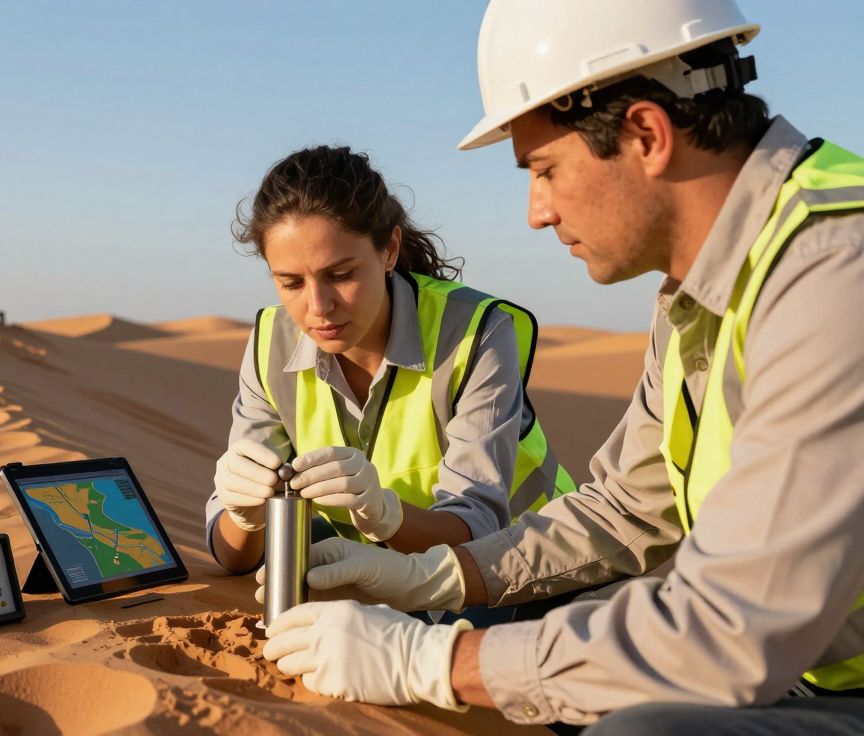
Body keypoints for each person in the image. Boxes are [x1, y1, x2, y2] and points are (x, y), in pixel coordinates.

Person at [259, 1, 864, 732]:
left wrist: (434, 663)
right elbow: (625, 508)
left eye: (544, 169)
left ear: (646, 134)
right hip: (797, 675)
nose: (536, 212)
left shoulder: (835, 271)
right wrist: (435, 578)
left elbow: (735, 628)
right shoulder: (706, 283)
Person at [205, 145, 576, 603]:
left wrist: (384, 513)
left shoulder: (476, 331)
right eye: (291, 283)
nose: (317, 308)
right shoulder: (269, 341)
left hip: (531, 573)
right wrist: (244, 516)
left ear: (390, 250)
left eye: (340, 274)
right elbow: (232, 558)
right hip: (388, 578)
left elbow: (479, 531)